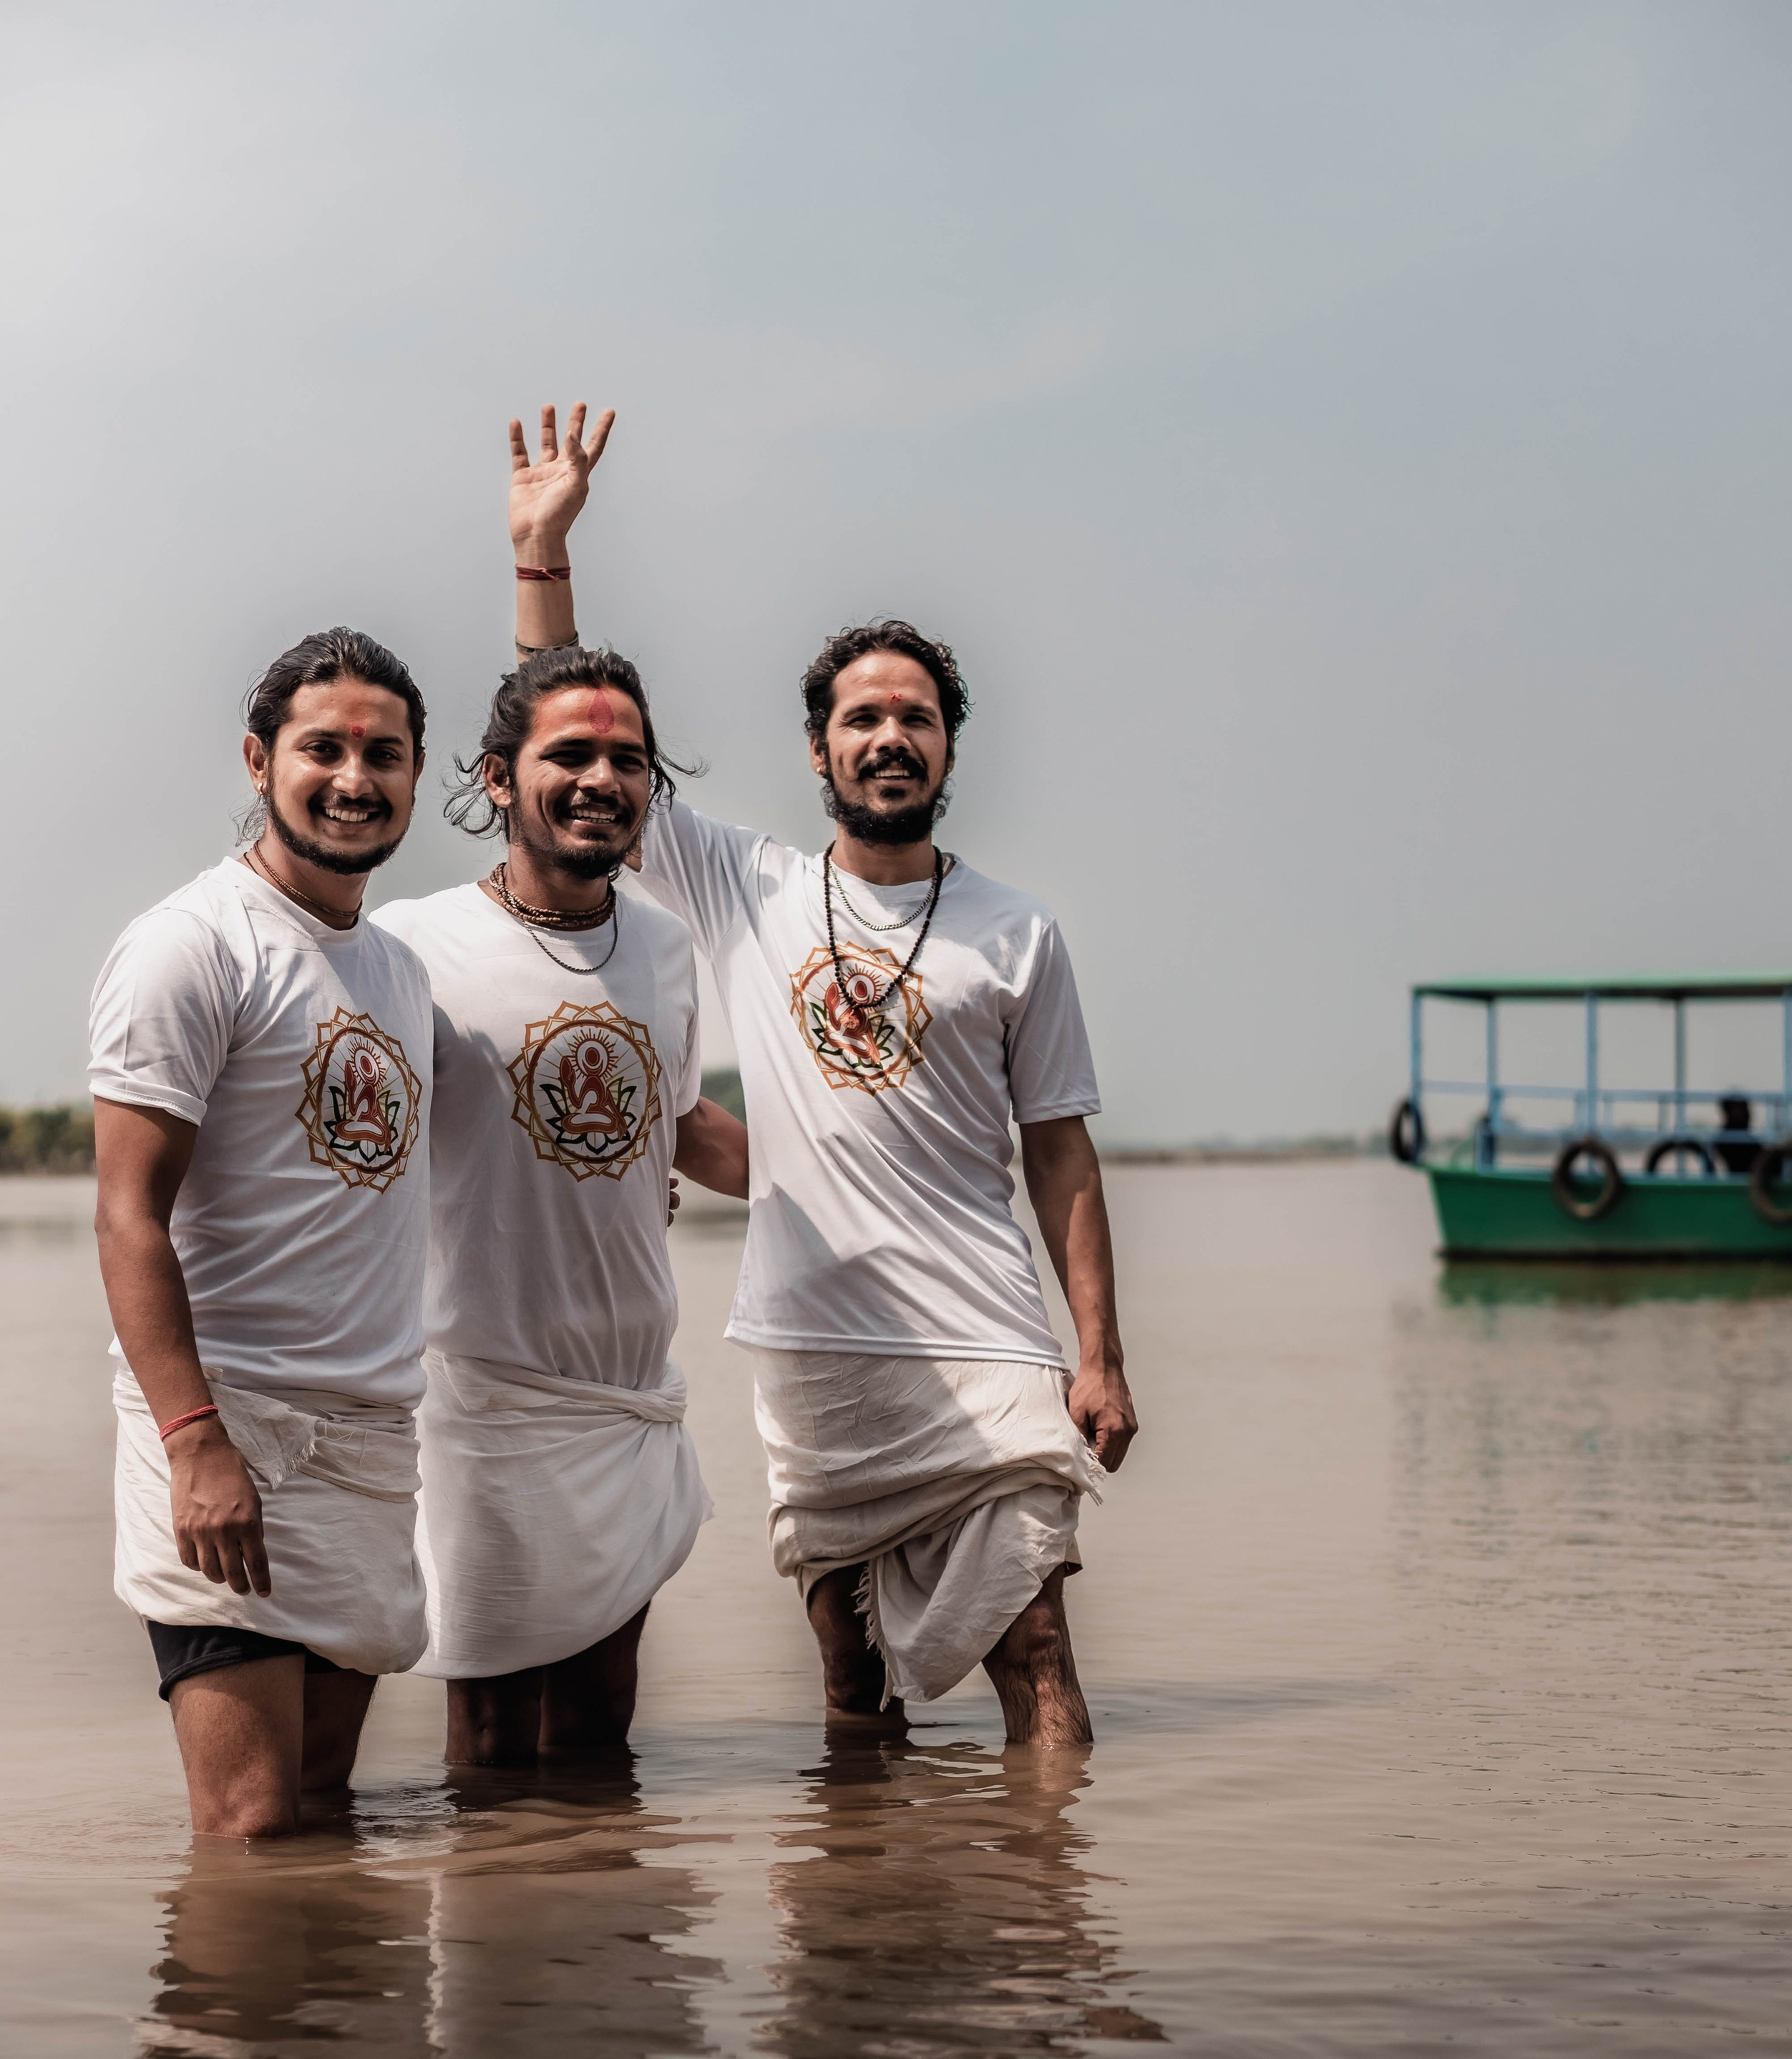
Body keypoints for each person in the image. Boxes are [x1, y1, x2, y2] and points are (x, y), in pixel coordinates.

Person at [510, 404, 1136, 1747]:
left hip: (989, 1341)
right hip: (815, 1349)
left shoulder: (1020, 931)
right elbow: (568, 720)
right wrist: (543, 551)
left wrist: (1101, 1354)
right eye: (862, 718)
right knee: (852, 1698)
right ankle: (855, 1942)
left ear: (950, 749)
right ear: (820, 751)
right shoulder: (747, 887)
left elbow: (1062, 1153)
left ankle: (1051, 1938)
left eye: (916, 718)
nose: (890, 738)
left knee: (1041, 1660)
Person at [374, 407, 748, 1766]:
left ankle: (601, 1974)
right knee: (489, 1747)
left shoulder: (662, 942)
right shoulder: (413, 946)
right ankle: (495, 1977)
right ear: (495, 782)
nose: (600, 779)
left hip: (627, 1399)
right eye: (569, 761)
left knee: (601, 1744)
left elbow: (682, 1129)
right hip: (477, 1402)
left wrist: (855, 1164)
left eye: (627, 761)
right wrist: (538, 556)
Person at [90, 631, 436, 1840]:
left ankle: (333, 2034)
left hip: (367, 1439)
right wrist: (195, 1441)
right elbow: (129, 1214)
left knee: (324, 1816)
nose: (354, 777)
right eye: (322, 748)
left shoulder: (397, 970)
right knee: (246, 1832)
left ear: (416, 769)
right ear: (259, 759)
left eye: (382, 753)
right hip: (228, 1436)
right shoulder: (192, 945)